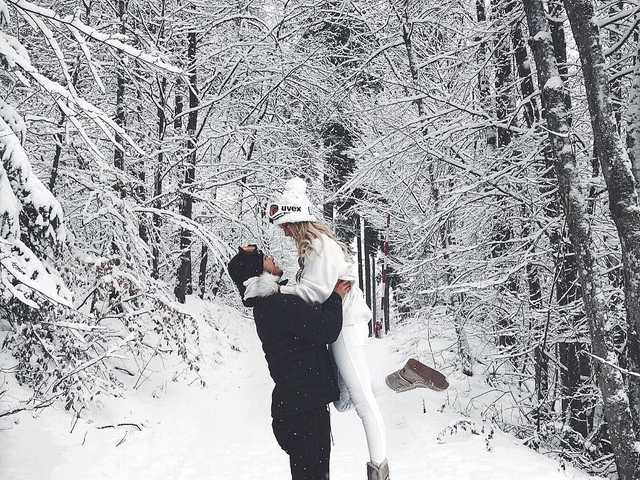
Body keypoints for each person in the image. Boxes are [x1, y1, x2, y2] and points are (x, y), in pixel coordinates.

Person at [248, 177, 449, 480]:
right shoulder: (313, 249)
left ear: (298, 221)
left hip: (344, 325)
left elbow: (315, 296)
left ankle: (379, 471)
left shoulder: (321, 248)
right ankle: (405, 378)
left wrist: (276, 292)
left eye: (286, 225)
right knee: (345, 399)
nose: (285, 232)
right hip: (341, 323)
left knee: (363, 403)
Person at [227, 244, 351, 480]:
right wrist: (336, 297)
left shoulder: (270, 305)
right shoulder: (277, 305)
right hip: (304, 415)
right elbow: (325, 329)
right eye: (264, 259)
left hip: (297, 411)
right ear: (258, 273)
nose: (271, 257)